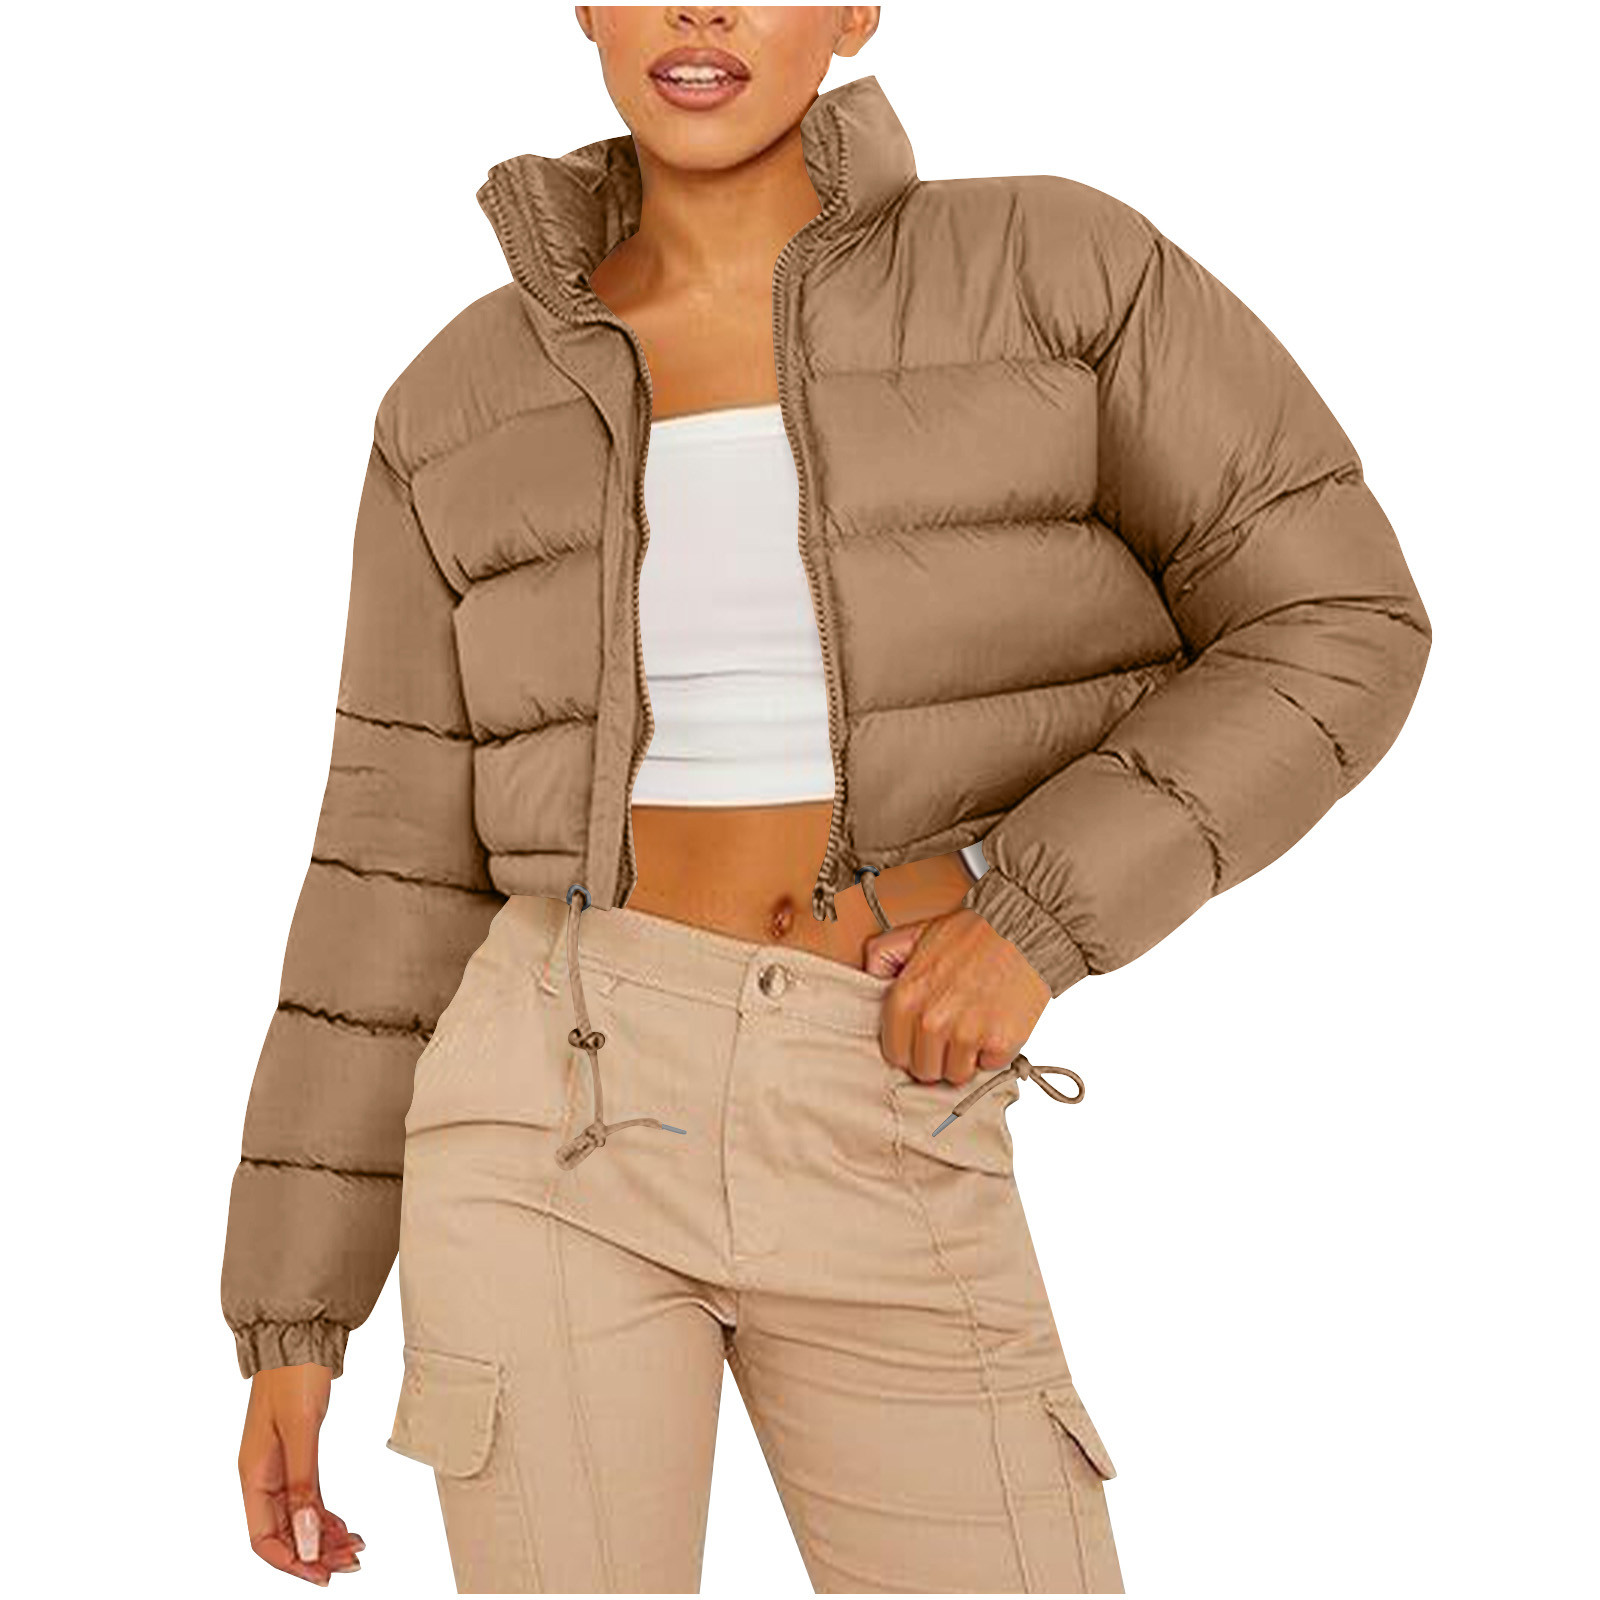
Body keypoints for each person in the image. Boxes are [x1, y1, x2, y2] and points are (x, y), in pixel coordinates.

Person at [223, 6, 1432, 1592]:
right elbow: (390, 860)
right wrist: (296, 1314)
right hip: (549, 1102)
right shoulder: (457, 402)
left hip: (882, 1083)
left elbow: (1339, 622)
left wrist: (1033, 922)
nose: (700, 11)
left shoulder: (1058, 272)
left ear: (856, 8)